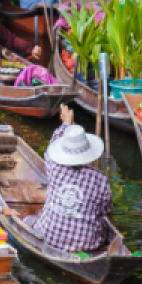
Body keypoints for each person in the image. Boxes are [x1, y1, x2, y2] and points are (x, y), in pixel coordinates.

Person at [25, 104, 111, 252]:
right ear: (88, 153)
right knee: (103, 224)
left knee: (27, 220)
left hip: (49, 237)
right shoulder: (100, 178)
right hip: (88, 243)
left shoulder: (54, 168)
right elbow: (105, 210)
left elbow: (51, 145)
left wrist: (66, 122)